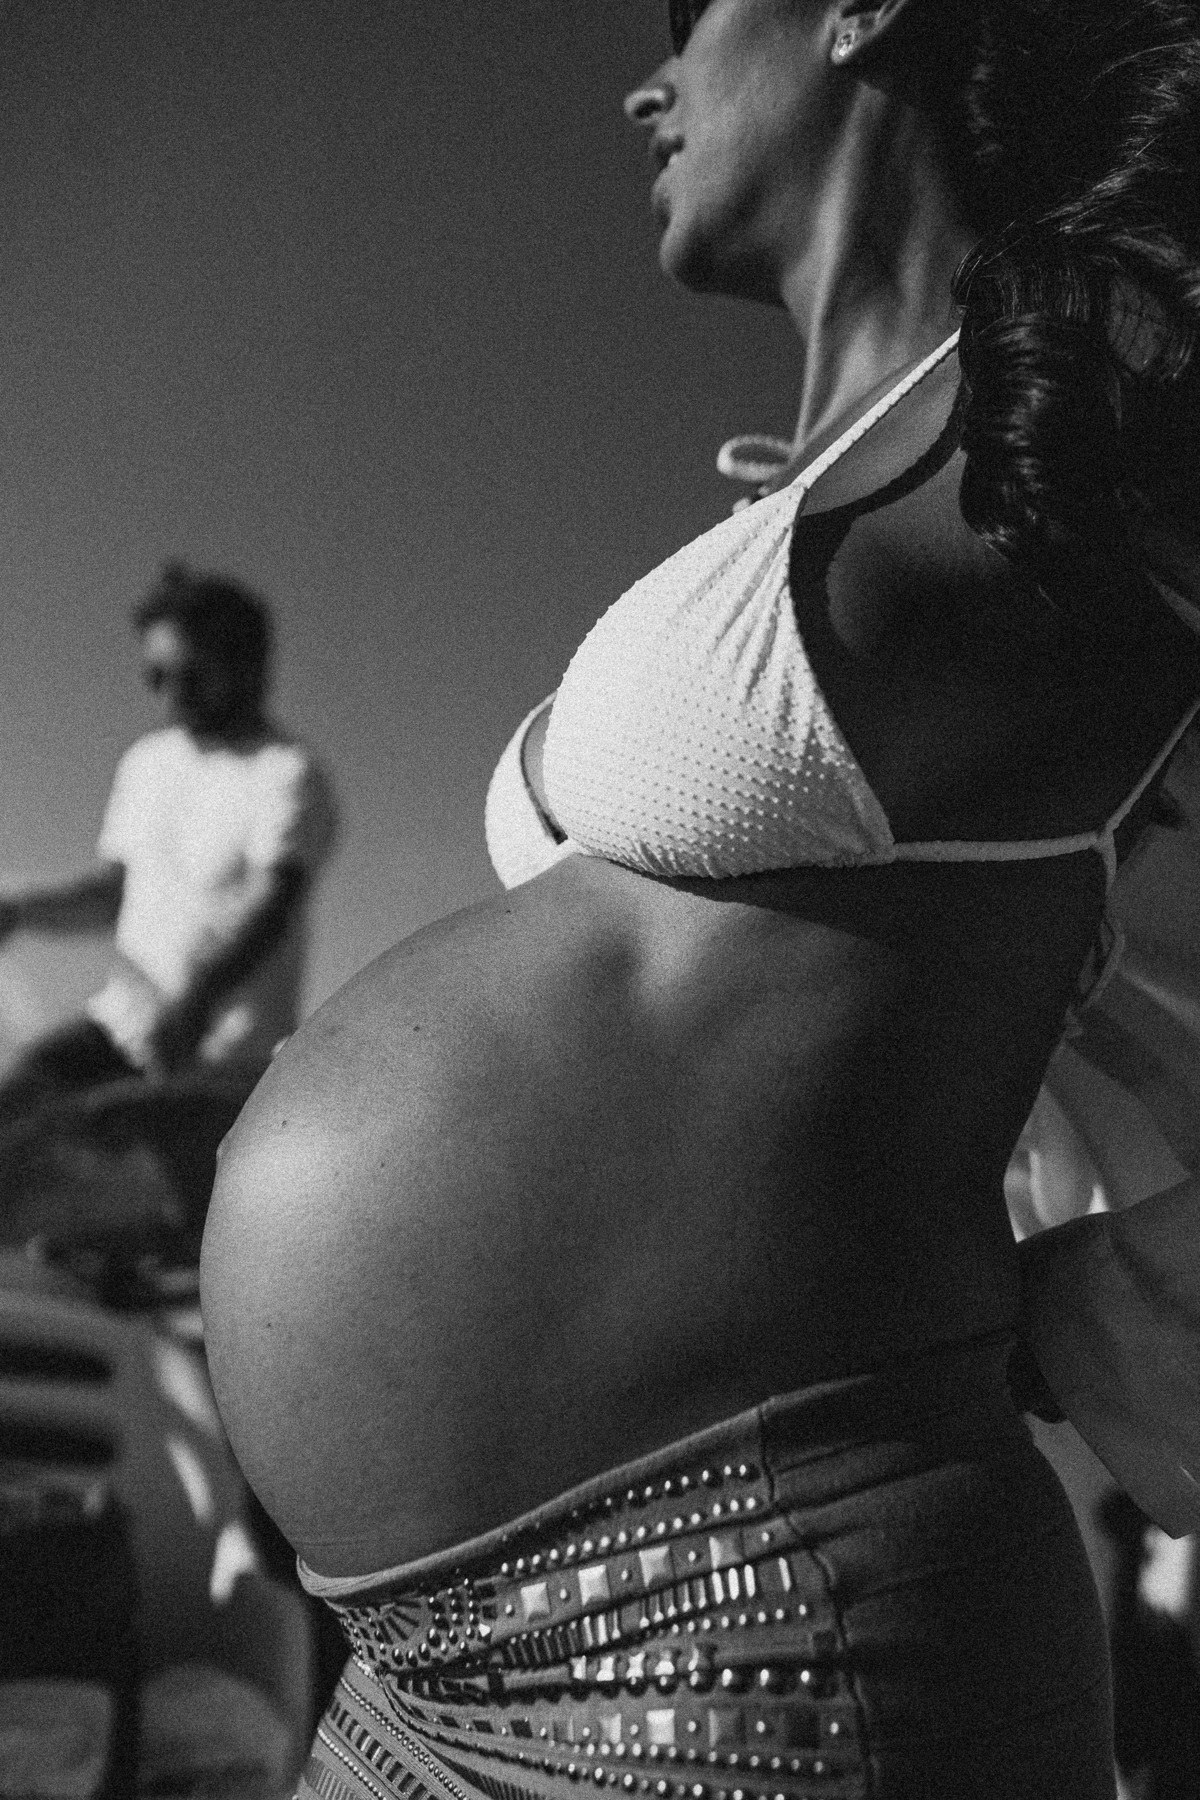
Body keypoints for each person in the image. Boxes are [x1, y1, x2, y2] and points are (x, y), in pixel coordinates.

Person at [200, 1, 1200, 1794]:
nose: (643, 84)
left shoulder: (1091, 399)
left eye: (691, 16)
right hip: (411, 1664)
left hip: (743, 1634)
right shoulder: (827, 487)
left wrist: (1115, 1308)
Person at [0, 564, 338, 1131]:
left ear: (246, 662)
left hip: (226, 1062)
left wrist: (194, 1002)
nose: (169, 692)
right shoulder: (146, 762)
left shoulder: (287, 773)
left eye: (188, 673)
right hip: (119, 1030)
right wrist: (18, 909)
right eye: (155, 675)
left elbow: (271, 905)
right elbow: (113, 894)